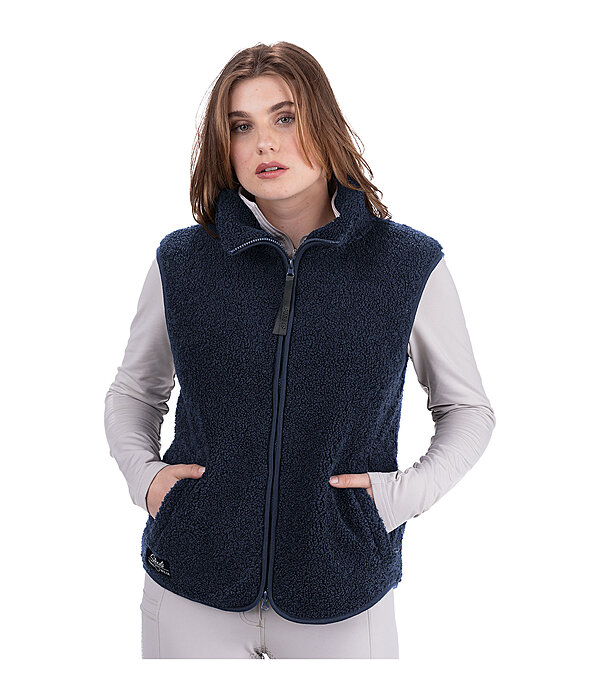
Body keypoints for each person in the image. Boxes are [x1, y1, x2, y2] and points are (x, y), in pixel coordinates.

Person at [104, 41, 496, 659]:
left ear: (323, 122)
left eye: (284, 118)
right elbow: (135, 392)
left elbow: (467, 410)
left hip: (342, 592)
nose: (265, 143)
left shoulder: (406, 264)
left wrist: (397, 501)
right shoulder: (183, 260)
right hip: (192, 585)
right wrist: (146, 479)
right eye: (242, 126)